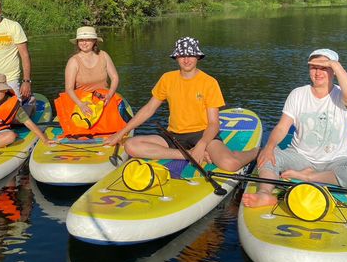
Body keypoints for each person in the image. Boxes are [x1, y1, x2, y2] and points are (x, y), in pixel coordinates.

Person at [242, 48, 347, 208]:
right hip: (300, 156)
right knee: (268, 157)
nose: (318, 73)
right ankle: (264, 194)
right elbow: (283, 127)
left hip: (336, 160)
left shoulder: (342, 95)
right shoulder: (298, 94)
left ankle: (310, 177)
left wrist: (334, 64)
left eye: (324, 68)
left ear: (334, 70)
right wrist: (270, 147)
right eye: (314, 67)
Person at [106, 37, 258, 170]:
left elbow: (213, 124)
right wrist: (121, 133)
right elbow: (148, 109)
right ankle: (187, 155)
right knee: (131, 145)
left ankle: (255, 152)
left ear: (198, 56)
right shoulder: (167, 79)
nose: (186, 59)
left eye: (190, 55)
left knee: (229, 164)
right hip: (174, 135)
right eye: (182, 55)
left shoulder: (209, 82)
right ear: (176, 57)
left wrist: (202, 144)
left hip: (202, 134)